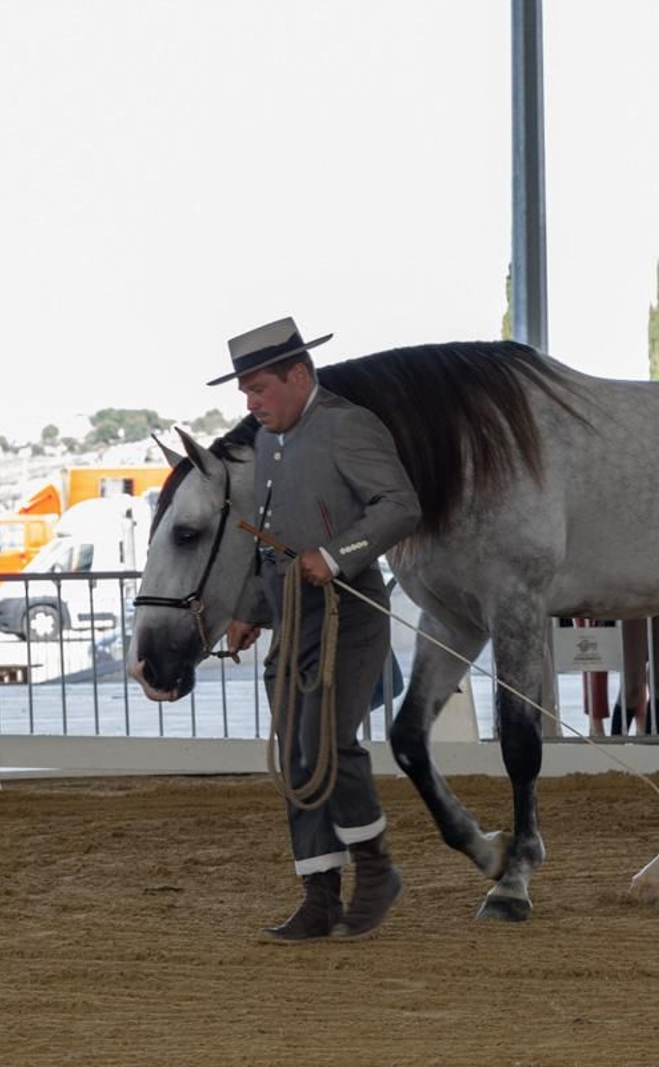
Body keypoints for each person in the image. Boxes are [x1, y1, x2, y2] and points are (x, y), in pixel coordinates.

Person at [215, 316, 422, 942]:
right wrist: (251, 608)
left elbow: (400, 505)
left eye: (259, 390)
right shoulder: (270, 440)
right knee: (296, 753)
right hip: (289, 614)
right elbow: (270, 542)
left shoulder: (346, 425)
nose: (250, 405)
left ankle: (376, 869)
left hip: (349, 612)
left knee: (325, 745)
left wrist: (335, 555)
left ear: (299, 375)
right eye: (245, 393)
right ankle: (319, 896)